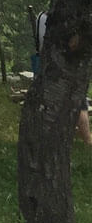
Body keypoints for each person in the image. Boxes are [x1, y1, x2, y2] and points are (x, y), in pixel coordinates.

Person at [33, 11, 92, 145]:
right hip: (63, 67)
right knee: (79, 102)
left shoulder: (41, 17)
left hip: (43, 65)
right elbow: (71, 45)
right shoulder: (63, 22)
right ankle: (87, 138)